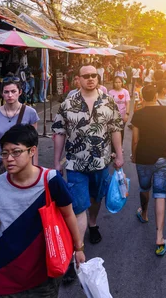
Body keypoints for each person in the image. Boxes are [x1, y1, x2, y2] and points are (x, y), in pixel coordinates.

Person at [0, 124, 85, 296]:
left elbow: (68, 214)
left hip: (44, 272)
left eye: (16, 152)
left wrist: (78, 248)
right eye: (5, 153)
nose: (9, 158)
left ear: (32, 151)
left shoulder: (51, 181)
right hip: (5, 267)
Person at [52, 65, 123, 281]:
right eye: (86, 76)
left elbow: (115, 129)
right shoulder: (67, 104)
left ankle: (93, 223)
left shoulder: (108, 101)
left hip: (102, 162)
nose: (91, 78)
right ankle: (75, 254)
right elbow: (59, 132)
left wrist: (119, 155)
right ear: (78, 80)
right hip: (76, 165)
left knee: (96, 198)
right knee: (78, 206)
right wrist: (57, 161)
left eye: (94, 75)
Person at [130, 84, 166, 256]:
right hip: (161, 157)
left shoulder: (138, 114)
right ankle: (159, 237)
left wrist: (134, 156)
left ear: (142, 97)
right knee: (160, 194)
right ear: (156, 95)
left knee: (144, 188)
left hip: (143, 157)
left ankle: (145, 213)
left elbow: (135, 140)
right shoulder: (165, 111)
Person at [0, 79, 40, 186]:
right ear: (2, 93)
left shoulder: (30, 113)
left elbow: (34, 144)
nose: (10, 95)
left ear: (20, 92)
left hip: (23, 165)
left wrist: (35, 167)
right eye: (6, 92)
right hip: (0, 164)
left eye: (13, 91)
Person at [109, 76, 131, 140]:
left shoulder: (125, 92)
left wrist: (127, 114)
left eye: (119, 82)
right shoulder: (110, 92)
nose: (117, 84)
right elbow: (109, 104)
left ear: (122, 83)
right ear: (113, 83)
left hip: (123, 115)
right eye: (116, 82)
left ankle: (120, 147)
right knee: (113, 131)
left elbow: (127, 103)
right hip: (113, 116)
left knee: (121, 131)